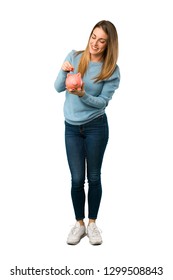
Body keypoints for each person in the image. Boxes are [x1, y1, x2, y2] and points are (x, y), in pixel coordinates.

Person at [54, 20, 120, 245]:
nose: (95, 43)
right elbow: (57, 87)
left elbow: (102, 103)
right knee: (76, 179)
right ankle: (78, 224)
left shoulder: (111, 70)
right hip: (71, 128)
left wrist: (82, 94)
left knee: (93, 177)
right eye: (94, 37)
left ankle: (92, 224)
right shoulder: (74, 56)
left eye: (102, 40)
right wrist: (63, 72)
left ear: (109, 44)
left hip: (95, 127)